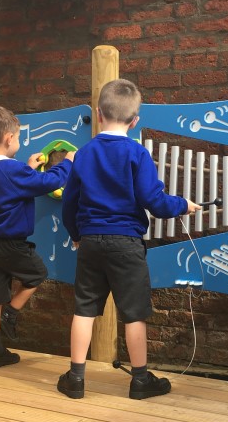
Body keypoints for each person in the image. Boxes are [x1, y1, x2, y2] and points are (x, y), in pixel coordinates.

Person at [58, 78, 201, 400]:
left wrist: (77, 235)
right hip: (126, 244)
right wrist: (183, 205)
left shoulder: (83, 155)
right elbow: (155, 201)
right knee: (134, 313)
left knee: (84, 309)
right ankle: (139, 381)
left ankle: (76, 379)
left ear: (98, 114)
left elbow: (70, 203)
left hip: (91, 241)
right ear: (135, 120)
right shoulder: (137, 154)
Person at [0, 105, 74, 369]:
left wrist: (28, 167)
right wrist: (67, 165)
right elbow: (48, 183)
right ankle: (12, 312)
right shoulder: (13, 172)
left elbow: (9, 187)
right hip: (9, 244)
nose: (18, 142)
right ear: (8, 139)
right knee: (37, 273)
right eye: (17, 138)